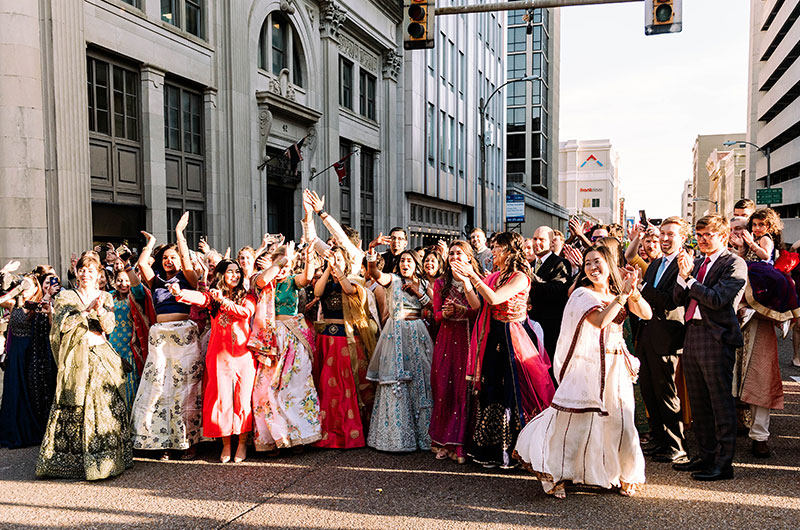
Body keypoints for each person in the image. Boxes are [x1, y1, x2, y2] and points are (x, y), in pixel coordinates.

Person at [515, 246, 652, 498]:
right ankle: (556, 473)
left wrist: (632, 294)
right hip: (588, 366)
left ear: (610, 265)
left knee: (621, 420)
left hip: (616, 366)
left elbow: (647, 313)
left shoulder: (615, 292)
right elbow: (600, 321)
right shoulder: (582, 294)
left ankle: (625, 473)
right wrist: (621, 297)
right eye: (587, 264)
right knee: (576, 422)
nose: (592, 268)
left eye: (597, 262)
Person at [452, 231, 555, 469]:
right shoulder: (495, 276)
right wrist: (467, 282)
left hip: (515, 336)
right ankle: (491, 451)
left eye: (497, 247)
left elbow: (496, 299)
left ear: (509, 251)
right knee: (492, 389)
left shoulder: (520, 277)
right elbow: (478, 304)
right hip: (494, 335)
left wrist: (474, 277)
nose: (493, 251)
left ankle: (519, 451)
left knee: (514, 391)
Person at [36, 252, 133, 480]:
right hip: (77, 357)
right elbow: (63, 325)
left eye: (90, 270)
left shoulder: (106, 297)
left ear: (99, 273)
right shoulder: (66, 297)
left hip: (101, 355)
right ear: (77, 273)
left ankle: (110, 459)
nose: (85, 274)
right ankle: (72, 462)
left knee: (106, 405)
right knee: (74, 405)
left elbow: (109, 327)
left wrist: (99, 310)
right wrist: (86, 310)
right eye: (82, 270)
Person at [673, 214, 747, 481]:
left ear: (723, 236)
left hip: (716, 337)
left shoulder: (734, 264)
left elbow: (717, 300)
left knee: (720, 401)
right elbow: (677, 298)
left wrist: (690, 280)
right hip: (692, 333)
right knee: (699, 400)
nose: (703, 240)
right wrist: (684, 277)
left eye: (709, 235)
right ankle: (705, 455)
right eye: (700, 235)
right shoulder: (697, 263)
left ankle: (723, 463)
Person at [130, 212, 204, 460]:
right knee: (159, 387)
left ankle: (188, 441)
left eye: (173, 258)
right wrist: (150, 244)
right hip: (161, 338)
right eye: (165, 258)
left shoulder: (188, 278)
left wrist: (180, 235)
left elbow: (186, 259)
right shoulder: (156, 281)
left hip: (184, 335)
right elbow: (141, 265)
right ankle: (160, 440)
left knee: (186, 388)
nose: (169, 261)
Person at [171, 259, 258, 463]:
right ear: (221, 275)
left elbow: (244, 313)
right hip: (219, 356)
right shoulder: (213, 296)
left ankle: (242, 443)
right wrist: (179, 292)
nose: (235, 275)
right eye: (230, 272)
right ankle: (226, 444)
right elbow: (200, 298)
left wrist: (223, 301)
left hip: (243, 356)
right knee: (222, 400)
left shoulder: (248, 297)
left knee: (243, 400)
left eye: (238, 272)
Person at [249, 243, 322, 453]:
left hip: (292, 336)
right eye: (279, 263)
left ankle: (297, 436)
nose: (282, 268)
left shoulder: (292, 281)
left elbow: (306, 278)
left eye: (286, 265)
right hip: (270, 340)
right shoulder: (262, 280)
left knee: (295, 386)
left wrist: (308, 256)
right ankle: (273, 437)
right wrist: (281, 260)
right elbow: (262, 280)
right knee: (267, 389)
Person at [366, 245, 434, 452]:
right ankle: (395, 438)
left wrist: (417, 292)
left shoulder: (423, 283)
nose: (405, 264)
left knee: (421, 379)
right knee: (396, 381)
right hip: (396, 333)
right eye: (403, 261)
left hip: (417, 332)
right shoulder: (392, 280)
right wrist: (371, 253)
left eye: (409, 261)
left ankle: (423, 436)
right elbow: (374, 273)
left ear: (416, 264)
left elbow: (432, 306)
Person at [636, 216, 689, 463]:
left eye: (671, 235)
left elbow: (671, 301)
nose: (665, 239)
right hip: (646, 334)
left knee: (667, 393)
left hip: (668, 337)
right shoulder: (656, 265)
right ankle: (659, 439)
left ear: (682, 238)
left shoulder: (684, 264)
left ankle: (676, 445)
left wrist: (641, 287)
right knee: (649, 390)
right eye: (662, 234)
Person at [313, 246, 377, 448]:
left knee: (346, 387)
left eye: (339, 259)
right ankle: (328, 432)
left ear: (347, 262)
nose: (335, 262)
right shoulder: (326, 280)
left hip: (346, 339)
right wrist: (327, 269)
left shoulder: (355, 280)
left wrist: (338, 271)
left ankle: (350, 433)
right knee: (327, 386)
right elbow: (317, 292)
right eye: (333, 259)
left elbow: (349, 290)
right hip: (327, 339)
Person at [429, 241, 480, 464]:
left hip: (470, 338)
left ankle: (461, 443)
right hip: (448, 340)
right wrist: (447, 314)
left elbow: (479, 310)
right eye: (451, 253)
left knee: (464, 389)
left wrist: (463, 311)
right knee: (445, 387)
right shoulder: (441, 283)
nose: (454, 257)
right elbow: (436, 315)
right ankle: (445, 440)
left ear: (469, 257)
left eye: (460, 253)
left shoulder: (478, 280)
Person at [0, 275, 48, 448]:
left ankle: (30, 430)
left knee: (28, 390)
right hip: (15, 352)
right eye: (23, 284)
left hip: (32, 352)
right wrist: (16, 288)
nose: (26, 288)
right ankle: (10, 430)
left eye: (29, 285)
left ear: (36, 288)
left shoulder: (39, 306)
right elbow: (1, 300)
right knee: (13, 390)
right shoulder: (14, 304)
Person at [107, 261, 154, 409]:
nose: (123, 284)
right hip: (112, 349)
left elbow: (139, 289)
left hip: (131, 349)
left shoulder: (134, 297)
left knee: (131, 385)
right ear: (114, 282)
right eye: (120, 280)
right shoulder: (109, 297)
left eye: (127, 280)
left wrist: (128, 267)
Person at [527, 227, 571, 365]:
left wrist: (532, 277)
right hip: (531, 322)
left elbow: (558, 290)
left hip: (550, 325)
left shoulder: (560, 263)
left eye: (542, 240)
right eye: (535, 239)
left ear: (551, 243)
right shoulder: (530, 263)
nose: (537, 243)